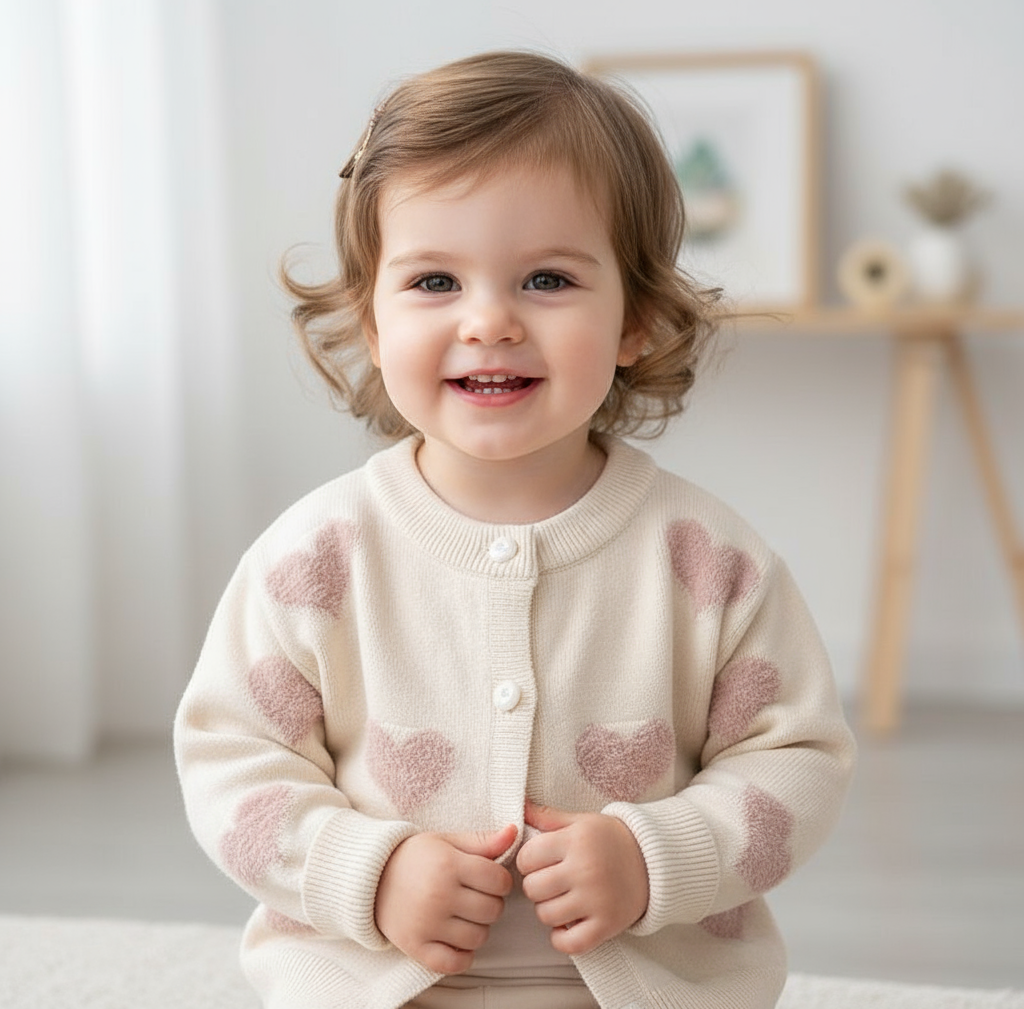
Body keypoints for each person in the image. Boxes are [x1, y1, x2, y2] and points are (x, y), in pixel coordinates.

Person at [174, 50, 855, 1009]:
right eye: (434, 283)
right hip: (372, 986)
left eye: (545, 279)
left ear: (637, 321)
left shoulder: (709, 560)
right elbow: (229, 761)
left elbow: (798, 762)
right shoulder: (313, 558)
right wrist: (367, 871)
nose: (488, 321)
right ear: (371, 321)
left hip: (651, 989)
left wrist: (655, 857)